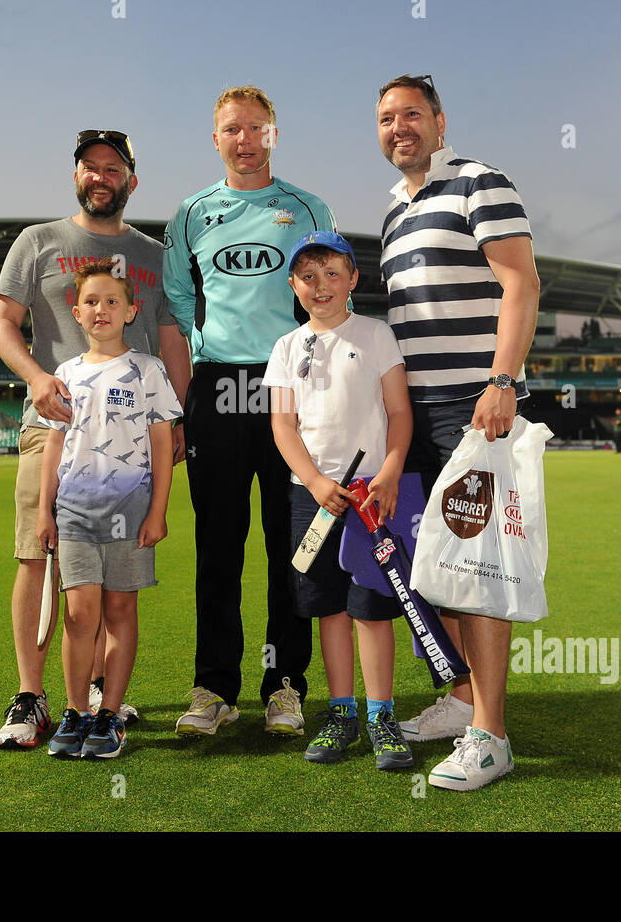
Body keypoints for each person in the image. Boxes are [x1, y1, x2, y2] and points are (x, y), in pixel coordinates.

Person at [0, 129, 191, 750]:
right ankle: (30, 697)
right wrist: (38, 378)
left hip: (131, 439)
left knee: (114, 580)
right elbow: (2, 323)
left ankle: (102, 696)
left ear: (132, 180)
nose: (100, 176)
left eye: (113, 167)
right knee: (36, 555)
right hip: (52, 432)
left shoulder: (154, 255)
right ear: (76, 175)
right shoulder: (38, 242)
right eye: (89, 167)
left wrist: (178, 422)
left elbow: (172, 336)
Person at [376, 74, 541, 791]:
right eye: (386, 118)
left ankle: (492, 735)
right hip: (415, 410)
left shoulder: (481, 182)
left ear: (440, 122)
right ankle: (466, 698)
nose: (398, 126)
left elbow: (521, 284)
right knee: (440, 565)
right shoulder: (393, 214)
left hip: (473, 408)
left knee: (478, 570)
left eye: (412, 113)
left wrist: (501, 381)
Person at [163, 85, 336, 736]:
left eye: (255, 128)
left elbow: (325, 305)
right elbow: (179, 313)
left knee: (290, 546)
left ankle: (285, 685)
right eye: (232, 129)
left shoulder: (307, 207)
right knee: (217, 547)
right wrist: (186, 405)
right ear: (216, 139)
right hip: (216, 393)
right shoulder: (190, 214)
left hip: (289, 388)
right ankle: (214, 686)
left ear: (273, 134)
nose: (244, 139)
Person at [264, 232, 415, 769]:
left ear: (353, 279)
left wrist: (392, 470)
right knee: (327, 606)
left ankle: (381, 715)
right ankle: (342, 712)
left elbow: (398, 412)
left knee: (371, 610)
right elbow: (283, 425)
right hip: (313, 495)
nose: (320, 286)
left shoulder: (375, 334)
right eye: (308, 276)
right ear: (293, 286)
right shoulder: (285, 348)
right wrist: (312, 480)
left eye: (332, 274)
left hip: (371, 493)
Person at [36, 259, 181, 759]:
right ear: (76, 313)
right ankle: (76, 712)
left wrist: (159, 508)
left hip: (132, 510)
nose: (101, 309)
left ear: (131, 310)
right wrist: (44, 511)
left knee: (120, 610)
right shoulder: (64, 374)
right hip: (75, 512)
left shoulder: (148, 370)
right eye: (91, 302)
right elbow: (53, 446)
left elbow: (163, 442)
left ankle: (110, 715)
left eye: (112, 301)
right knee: (80, 615)